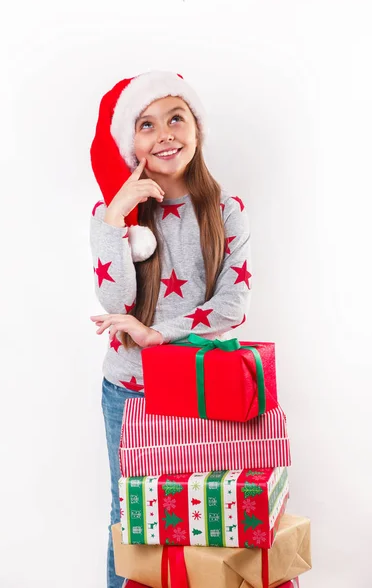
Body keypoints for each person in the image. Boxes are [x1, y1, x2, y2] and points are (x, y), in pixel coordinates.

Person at [88, 70, 253, 588]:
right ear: (130, 142)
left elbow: (232, 302)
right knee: (133, 520)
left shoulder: (226, 210)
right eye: (146, 124)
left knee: (206, 520)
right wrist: (115, 216)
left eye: (176, 118)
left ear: (197, 129)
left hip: (203, 390)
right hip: (131, 391)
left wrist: (159, 334)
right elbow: (115, 299)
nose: (165, 133)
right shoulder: (113, 217)